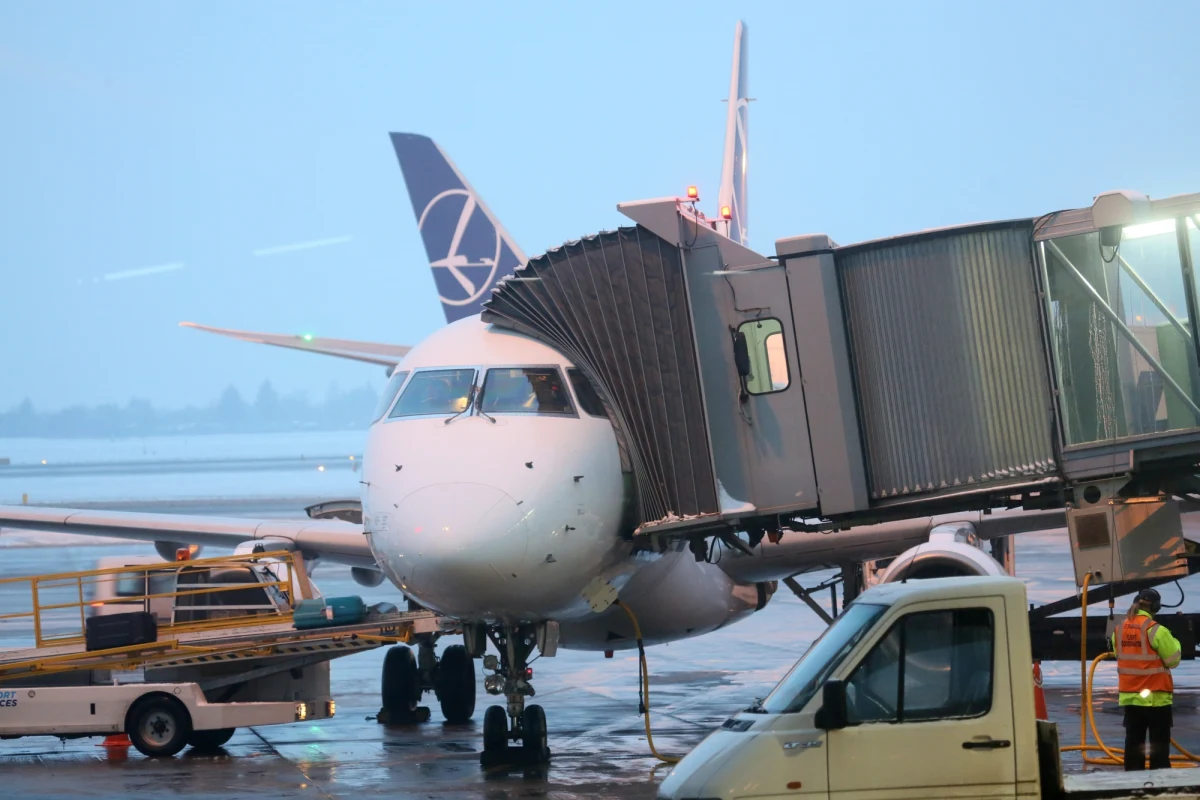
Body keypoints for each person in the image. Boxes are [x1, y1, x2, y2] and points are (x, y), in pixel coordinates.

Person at [1111, 588, 1182, 771]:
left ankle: (1132, 788)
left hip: (1131, 698)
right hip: (1156, 699)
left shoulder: (1118, 630)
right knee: (1159, 751)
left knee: (1133, 748)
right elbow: (1173, 660)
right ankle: (1159, 791)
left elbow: (1121, 655)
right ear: (1156, 606)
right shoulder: (1156, 630)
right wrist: (1176, 642)